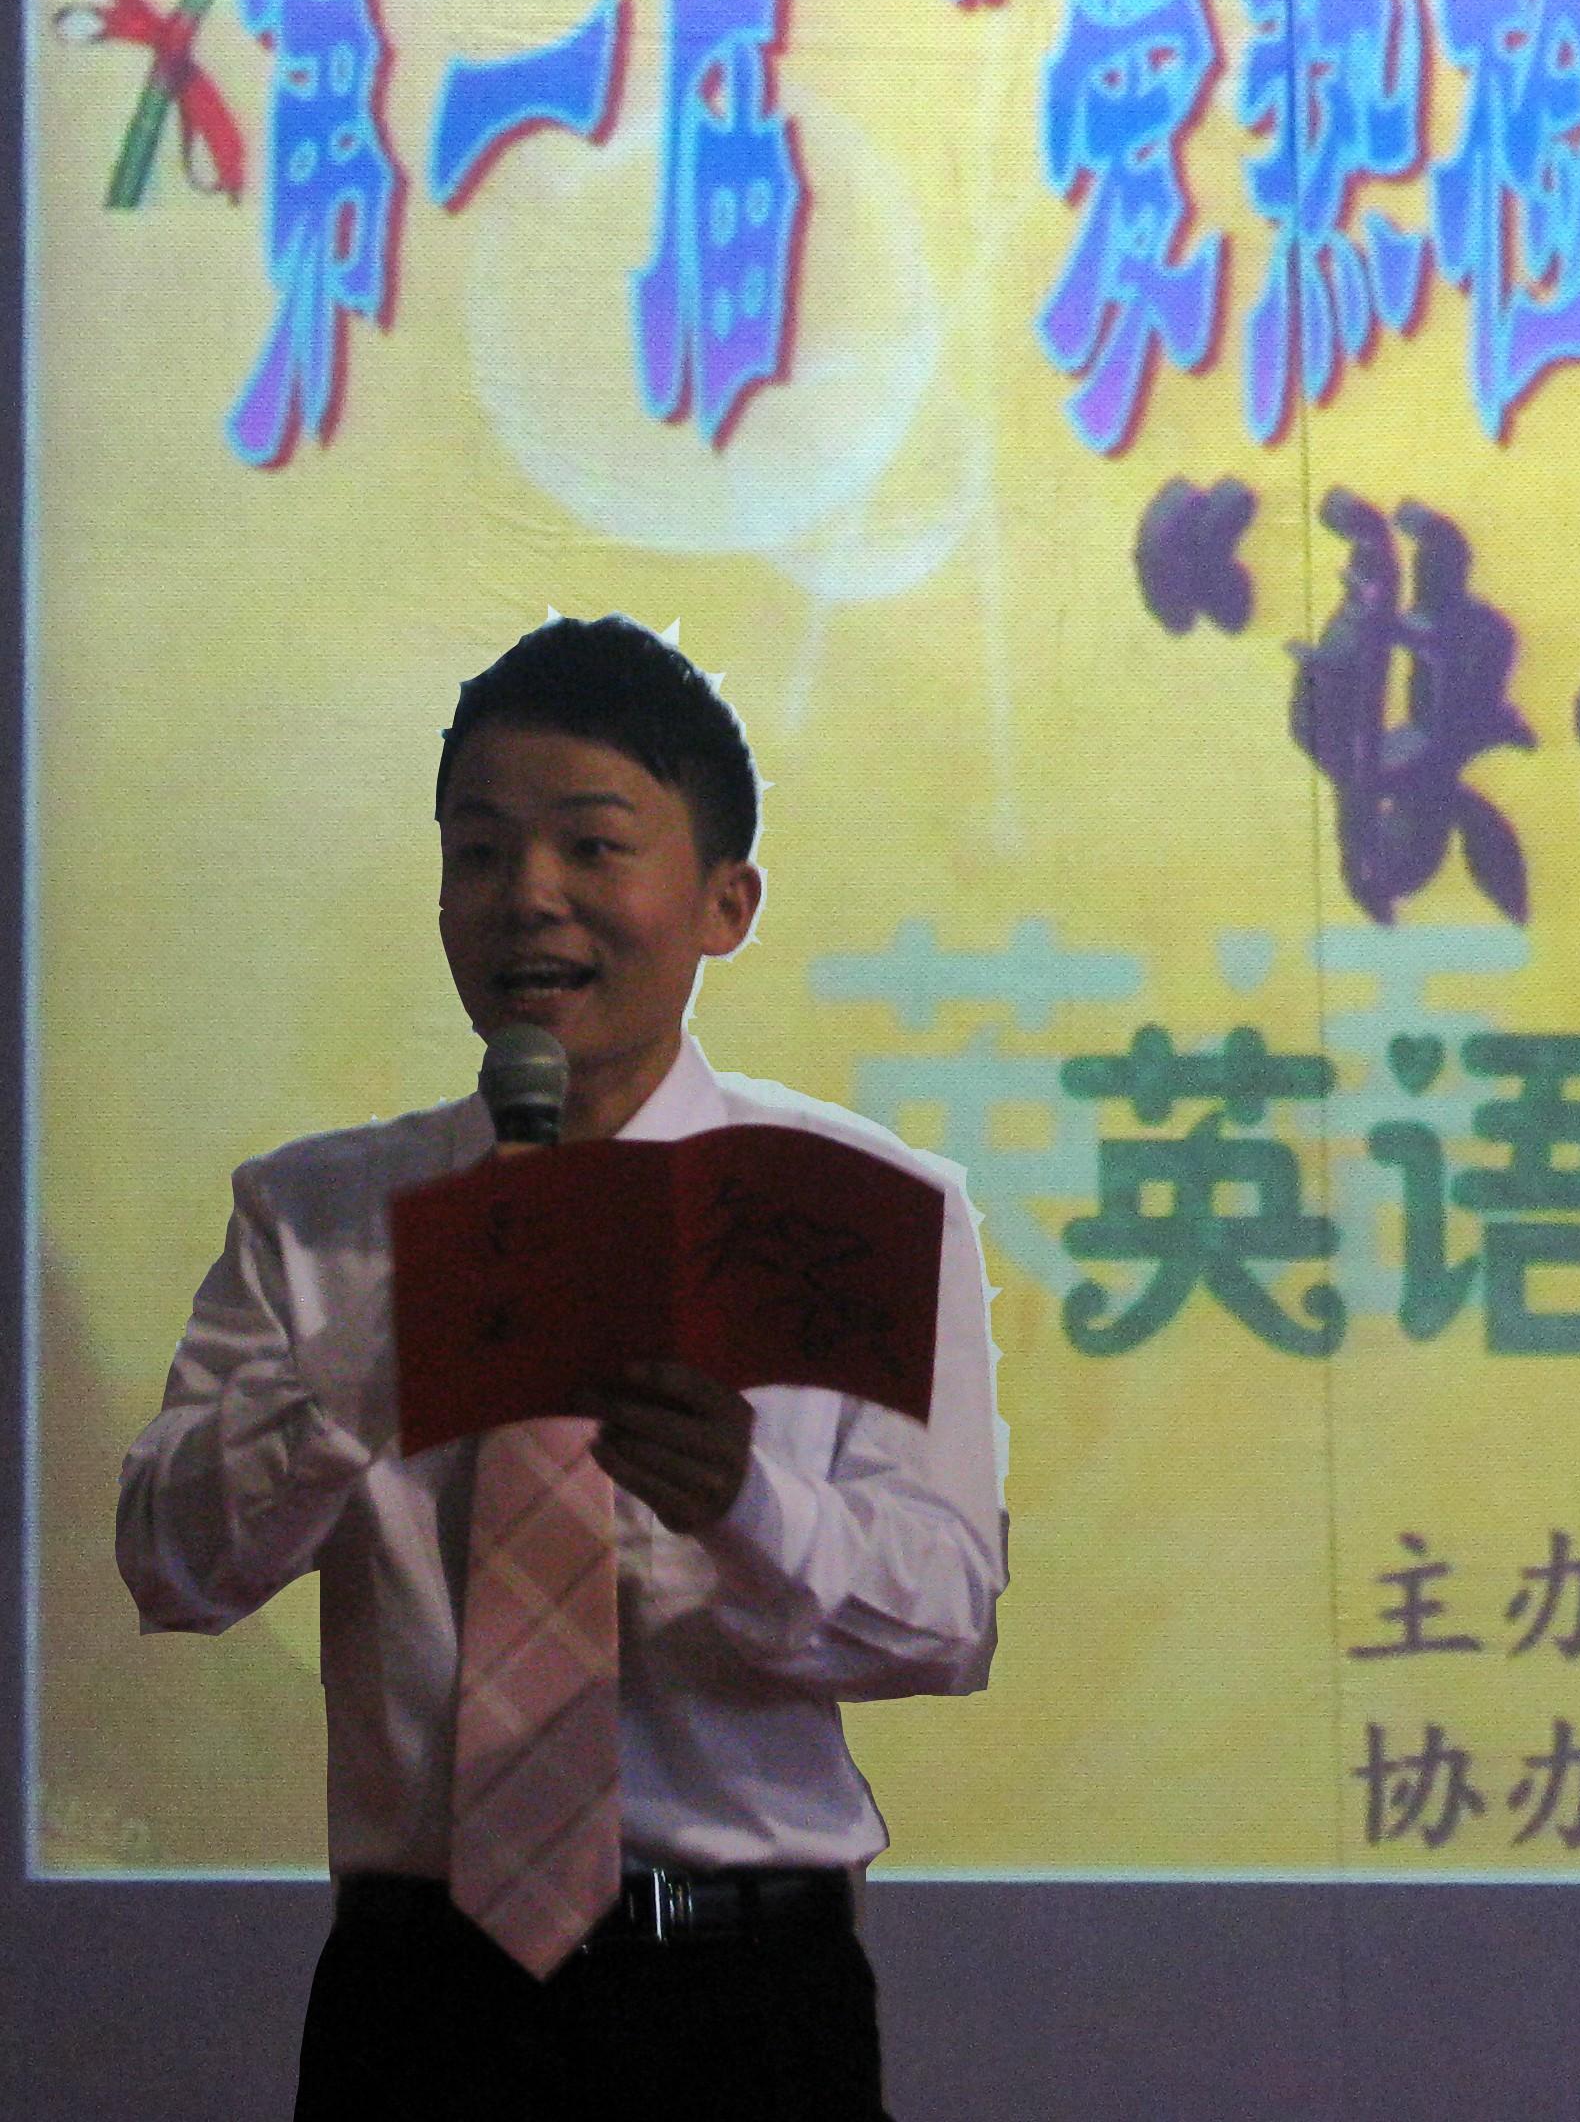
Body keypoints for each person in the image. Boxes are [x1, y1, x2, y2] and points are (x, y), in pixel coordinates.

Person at [116, 615, 1005, 2122]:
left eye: (594, 847)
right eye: (479, 853)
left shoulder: (856, 1210)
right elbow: (169, 1563)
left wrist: (746, 1502)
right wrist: (380, 1346)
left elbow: (945, 1618)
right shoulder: (321, 1218)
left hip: (741, 1998)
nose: (528, 897)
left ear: (725, 902)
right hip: (419, 2002)